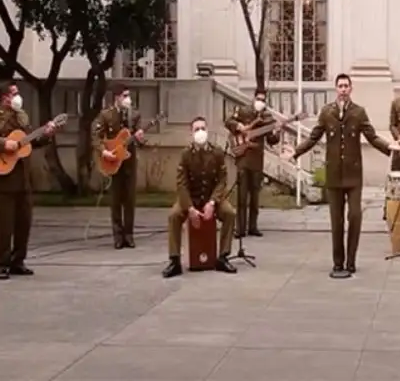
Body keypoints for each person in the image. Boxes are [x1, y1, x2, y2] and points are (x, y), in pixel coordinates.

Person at [286, 73, 400, 279]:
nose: (343, 89)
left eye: (346, 86)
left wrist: (389, 147)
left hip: (353, 175)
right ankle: (337, 263)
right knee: (336, 221)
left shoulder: (358, 112)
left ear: (351, 89)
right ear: (336, 89)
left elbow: (372, 136)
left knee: (355, 216)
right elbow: (313, 138)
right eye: (340, 86)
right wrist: (295, 152)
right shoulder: (326, 112)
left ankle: (351, 261)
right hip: (334, 175)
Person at [0, 80, 57, 280]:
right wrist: (3, 144)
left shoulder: (22, 117)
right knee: (4, 226)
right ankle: (1, 264)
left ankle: (18, 261)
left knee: (23, 223)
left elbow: (29, 142)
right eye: (14, 93)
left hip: (23, 179)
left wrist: (46, 135)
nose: (18, 96)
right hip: (3, 180)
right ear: (5, 97)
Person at [163, 116, 238, 278]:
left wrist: (212, 202)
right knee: (174, 216)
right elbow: (181, 184)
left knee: (230, 213)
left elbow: (222, 180)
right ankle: (174, 261)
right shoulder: (186, 154)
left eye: (203, 128)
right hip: (191, 198)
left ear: (207, 130)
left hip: (212, 198)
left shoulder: (217, 152)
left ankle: (223, 257)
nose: (200, 132)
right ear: (191, 133)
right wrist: (189, 208)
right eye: (197, 129)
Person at [91, 85, 145, 249]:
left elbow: (138, 140)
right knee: (115, 199)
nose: (128, 99)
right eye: (125, 96)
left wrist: (141, 139)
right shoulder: (106, 115)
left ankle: (129, 235)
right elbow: (96, 136)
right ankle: (117, 235)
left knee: (129, 199)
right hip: (113, 160)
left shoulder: (134, 115)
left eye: (129, 95)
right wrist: (103, 151)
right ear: (117, 97)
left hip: (129, 160)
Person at [224, 87, 280, 237]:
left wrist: (277, 131)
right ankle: (240, 228)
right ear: (254, 98)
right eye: (258, 99)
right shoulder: (243, 111)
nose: (260, 102)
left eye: (263, 100)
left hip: (257, 160)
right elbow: (228, 121)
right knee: (242, 196)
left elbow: (271, 140)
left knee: (255, 195)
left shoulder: (268, 117)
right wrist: (239, 127)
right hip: (243, 158)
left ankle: (253, 226)